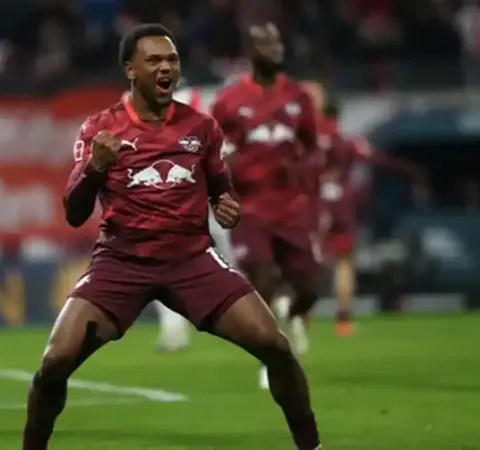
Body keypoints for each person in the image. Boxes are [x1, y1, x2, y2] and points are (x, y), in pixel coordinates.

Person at [21, 24, 321, 450]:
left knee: (275, 345)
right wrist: (94, 168)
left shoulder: (202, 128)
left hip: (192, 261)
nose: (166, 68)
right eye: (154, 60)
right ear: (130, 69)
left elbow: (221, 190)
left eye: (172, 60)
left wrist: (227, 206)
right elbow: (74, 213)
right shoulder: (100, 130)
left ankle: (312, 445)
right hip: (121, 263)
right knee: (55, 360)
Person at [210, 23, 322, 390]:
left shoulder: (298, 97)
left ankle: (295, 312)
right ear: (250, 51)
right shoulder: (229, 101)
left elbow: (311, 146)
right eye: (265, 44)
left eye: (277, 42)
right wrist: (227, 172)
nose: (274, 49)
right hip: (251, 208)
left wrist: (305, 172)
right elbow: (212, 150)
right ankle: (270, 357)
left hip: (291, 207)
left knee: (309, 287)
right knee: (262, 278)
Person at [318, 98, 424, 336]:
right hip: (341, 205)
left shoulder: (307, 143)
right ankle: (344, 319)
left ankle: (301, 316)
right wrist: (412, 171)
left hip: (315, 206)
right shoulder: (347, 141)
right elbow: (377, 159)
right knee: (344, 262)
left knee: (306, 260)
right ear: (338, 115)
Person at [152, 83, 235, 353]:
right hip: (192, 193)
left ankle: (175, 329)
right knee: (231, 258)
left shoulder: (191, 103)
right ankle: (176, 328)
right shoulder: (200, 101)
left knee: (163, 262)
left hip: (188, 195)